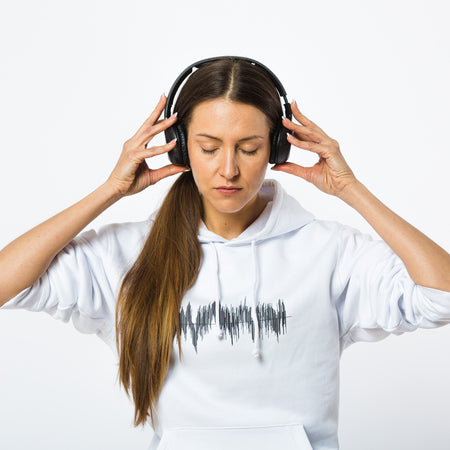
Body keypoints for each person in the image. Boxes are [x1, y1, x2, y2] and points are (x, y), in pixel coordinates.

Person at [0, 56, 449, 450]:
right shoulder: (126, 253)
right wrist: (109, 191)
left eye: (249, 148)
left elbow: (442, 296)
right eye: (209, 148)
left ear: (275, 147)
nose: (228, 169)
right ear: (180, 145)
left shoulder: (329, 251)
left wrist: (351, 191)